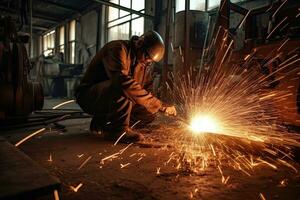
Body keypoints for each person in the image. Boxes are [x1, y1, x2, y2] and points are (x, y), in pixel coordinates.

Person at [75, 30, 177, 143]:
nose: (148, 62)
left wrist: (160, 105)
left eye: (151, 61)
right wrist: (158, 105)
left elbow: (147, 91)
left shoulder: (144, 64)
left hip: (112, 97)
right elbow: (121, 81)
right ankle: (117, 130)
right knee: (124, 87)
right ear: (139, 44)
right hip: (90, 96)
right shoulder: (117, 48)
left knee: (148, 113)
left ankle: (107, 123)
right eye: (147, 57)